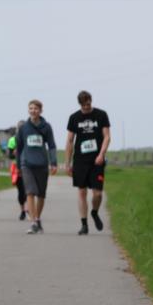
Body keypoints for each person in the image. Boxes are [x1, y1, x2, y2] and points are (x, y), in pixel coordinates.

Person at [65, 90, 111, 235]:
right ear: (80, 104)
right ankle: (84, 224)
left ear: (91, 100)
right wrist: (67, 163)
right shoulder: (74, 118)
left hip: (97, 160)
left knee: (97, 194)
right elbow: (70, 141)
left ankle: (95, 212)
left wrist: (101, 154)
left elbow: (107, 137)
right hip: (80, 160)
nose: (86, 107)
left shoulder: (101, 115)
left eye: (88, 104)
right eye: (83, 105)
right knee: (82, 191)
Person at [15, 99, 57, 234]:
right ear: (28, 110)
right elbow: (19, 148)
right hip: (27, 164)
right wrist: (18, 166)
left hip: (42, 164)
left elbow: (51, 145)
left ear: (40, 111)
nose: (33, 111)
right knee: (30, 192)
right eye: (31, 108)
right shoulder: (23, 128)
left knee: (41, 195)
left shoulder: (46, 127)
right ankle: (33, 222)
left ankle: (38, 218)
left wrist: (54, 163)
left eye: (36, 109)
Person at [8, 121, 28, 220]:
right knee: (21, 190)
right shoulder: (12, 140)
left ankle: (28, 208)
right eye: (19, 128)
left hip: (28, 166)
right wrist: (15, 153)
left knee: (28, 189)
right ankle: (22, 210)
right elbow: (9, 155)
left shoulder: (28, 138)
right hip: (16, 167)